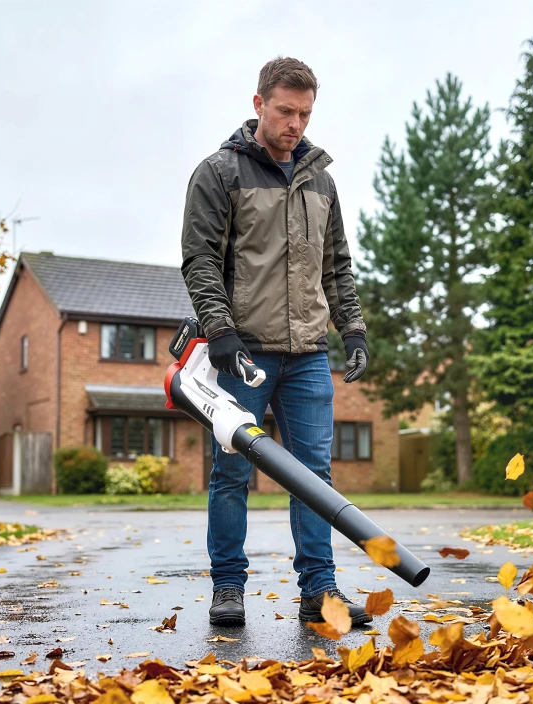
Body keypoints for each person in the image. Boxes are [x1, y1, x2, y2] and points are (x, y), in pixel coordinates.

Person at [181, 56, 371, 628]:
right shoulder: (219, 173)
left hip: (310, 355)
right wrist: (219, 330)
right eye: (286, 111)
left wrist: (354, 329)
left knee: (314, 476)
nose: (296, 124)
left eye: (306, 113)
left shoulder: (322, 180)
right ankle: (229, 588)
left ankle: (321, 591)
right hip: (245, 353)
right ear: (258, 104)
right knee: (232, 472)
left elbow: (337, 265)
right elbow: (200, 260)